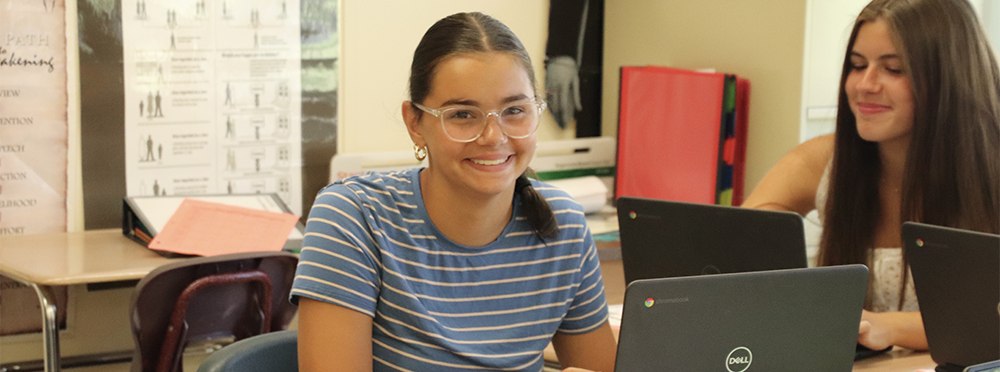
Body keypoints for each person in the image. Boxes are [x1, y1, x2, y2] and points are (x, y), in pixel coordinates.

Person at [291, 12, 617, 372]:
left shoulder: (562, 224)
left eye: (514, 110)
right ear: (415, 123)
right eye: (462, 115)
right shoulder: (354, 217)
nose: (494, 137)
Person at [744, 0, 1000, 351]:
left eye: (893, 69)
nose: (865, 84)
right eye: (857, 65)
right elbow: (734, 242)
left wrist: (891, 328)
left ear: (950, 78)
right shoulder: (823, 160)